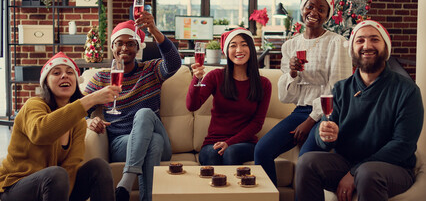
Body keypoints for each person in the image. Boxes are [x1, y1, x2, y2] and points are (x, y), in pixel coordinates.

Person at [296, 20, 424, 201]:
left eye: (374, 39)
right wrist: (324, 135)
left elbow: (403, 145)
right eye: (360, 40)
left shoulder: (407, 90)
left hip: (393, 168)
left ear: (386, 48)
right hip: (347, 162)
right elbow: (326, 131)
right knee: (307, 162)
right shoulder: (341, 89)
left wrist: (354, 172)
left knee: (367, 173)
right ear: (353, 49)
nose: (367, 46)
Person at [254, 0, 353, 186]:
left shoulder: (337, 43)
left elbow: (337, 89)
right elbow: (286, 97)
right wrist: (292, 73)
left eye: (321, 9)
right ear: (302, 8)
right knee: (262, 150)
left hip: (327, 114)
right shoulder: (290, 46)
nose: (314, 12)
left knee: (305, 162)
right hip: (300, 111)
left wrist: (310, 121)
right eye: (310, 6)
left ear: (327, 15)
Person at [84, 11, 181, 201]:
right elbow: (78, 109)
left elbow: (174, 63)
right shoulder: (101, 77)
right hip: (122, 142)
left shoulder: (151, 70)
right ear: (112, 46)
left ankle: (126, 181)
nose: (124, 48)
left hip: (163, 144)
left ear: (138, 48)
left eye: (130, 43)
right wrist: (89, 121)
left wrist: (154, 29)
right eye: (119, 43)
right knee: (153, 142)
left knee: (144, 113)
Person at [0, 52, 118, 201]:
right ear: (46, 83)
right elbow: (41, 132)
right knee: (56, 174)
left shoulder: (79, 122)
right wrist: (91, 99)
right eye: (56, 73)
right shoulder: (33, 105)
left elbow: (71, 166)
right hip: (15, 186)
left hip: (55, 187)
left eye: (70, 73)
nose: (64, 76)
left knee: (99, 167)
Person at [186, 28, 272, 165]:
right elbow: (192, 105)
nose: (239, 50)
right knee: (211, 154)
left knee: (231, 152)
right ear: (226, 52)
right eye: (233, 45)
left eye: (244, 44)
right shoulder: (215, 76)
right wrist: (196, 79)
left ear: (251, 48)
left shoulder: (264, 84)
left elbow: (257, 123)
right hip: (213, 143)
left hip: (245, 143)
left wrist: (229, 142)